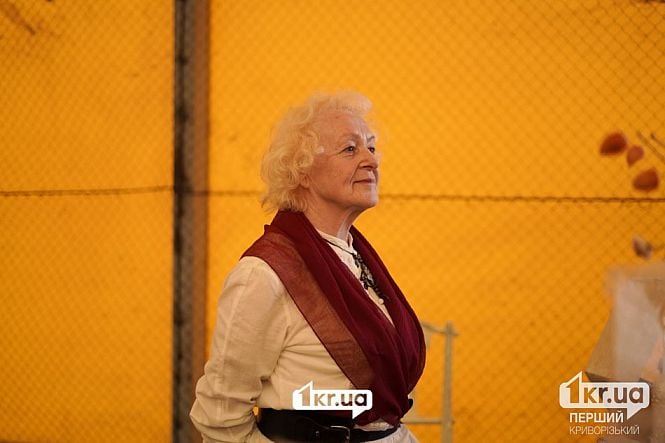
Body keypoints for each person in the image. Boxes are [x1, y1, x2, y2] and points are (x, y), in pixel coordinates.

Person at [190, 91, 426, 442]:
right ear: (301, 171)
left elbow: (376, 411)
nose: (371, 160)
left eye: (371, 147)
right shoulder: (264, 274)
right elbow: (219, 412)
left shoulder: (354, 256)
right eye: (350, 149)